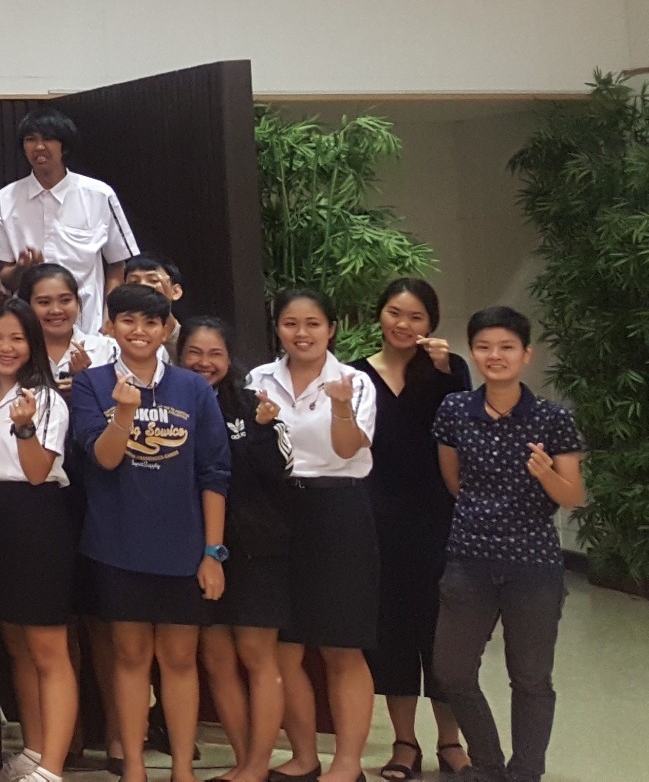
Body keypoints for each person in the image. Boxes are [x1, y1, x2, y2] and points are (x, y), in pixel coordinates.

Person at [70, 282, 229, 782]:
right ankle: (135, 768)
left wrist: (213, 553)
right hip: (117, 545)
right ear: (110, 326)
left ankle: (182, 770)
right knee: (130, 657)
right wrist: (124, 412)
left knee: (180, 660)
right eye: (128, 321)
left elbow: (214, 473)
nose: (139, 331)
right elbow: (103, 458)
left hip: (183, 547)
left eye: (150, 322)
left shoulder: (193, 388)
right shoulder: (90, 384)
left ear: (165, 329)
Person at [432, 304, 585, 782]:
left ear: (525, 354)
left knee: (532, 677)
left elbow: (572, 496)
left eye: (506, 347)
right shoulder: (455, 410)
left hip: (533, 563)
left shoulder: (552, 418)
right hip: (469, 559)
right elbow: (454, 481)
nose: (494, 355)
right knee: (452, 671)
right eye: (483, 347)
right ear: (472, 352)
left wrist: (545, 474)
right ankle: (489, 764)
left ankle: (525, 773)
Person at [251, 288, 380, 782]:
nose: (301, 333)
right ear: (277, 328)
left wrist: (341, 407)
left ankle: (347, 764)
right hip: (277, 510)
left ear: (331, 329)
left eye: (312, 324)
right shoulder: (258, 379)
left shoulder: (355, 381)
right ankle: (304, 756)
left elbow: (348, 450)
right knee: (284, 646)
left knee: (341, 645)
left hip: (338, 509)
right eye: (290, 323)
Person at [357, 277, 472, 781]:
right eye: (394, 313)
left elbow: (465, 432)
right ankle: (404, 743)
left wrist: (445, 372)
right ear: (379, 314)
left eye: (415, 316)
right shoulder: (355, 375)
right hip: (377, 519)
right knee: (393, 635)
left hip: (440, 520)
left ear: (431, 323)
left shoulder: (449, 370)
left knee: (444, 634)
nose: (403, 324)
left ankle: (451, 742)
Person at [175, 315, 291, 782]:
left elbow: (279, 474)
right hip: (194, 549)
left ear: (229, 358)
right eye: (194, 353)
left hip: (255, 548)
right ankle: (245, 762)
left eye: (215, 354)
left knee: (258, 657)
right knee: (217, 660)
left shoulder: (252, 404)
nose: (204, 363)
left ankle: (258, 765)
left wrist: (263, 429)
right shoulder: (168, 401)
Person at [0, 297, 78, 782]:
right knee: (16, 644)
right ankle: (34, 750)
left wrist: (23, 427)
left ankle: (53, 766)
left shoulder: (48, 399)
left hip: (36, 520)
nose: (5, 347)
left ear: (32, 344)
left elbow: (37, 472)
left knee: (47, 648)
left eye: (17, 338)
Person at [0, 109, 138, 333]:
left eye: (48, 138)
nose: (39, 147)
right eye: (30, 139)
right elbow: (3, 279)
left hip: (88, 327)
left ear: (65, 146)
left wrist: (110, 318)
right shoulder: (2, 201)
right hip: (25, 330)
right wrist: (21, 269)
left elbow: (117, 263)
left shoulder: (100, 195)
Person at [25, 264, 117, 388]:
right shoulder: (17, 353)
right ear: (27, 305)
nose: (56, 310)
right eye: (44, 302)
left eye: (65, 300)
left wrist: (86, 381)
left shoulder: (108, 349)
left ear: (78, 302)